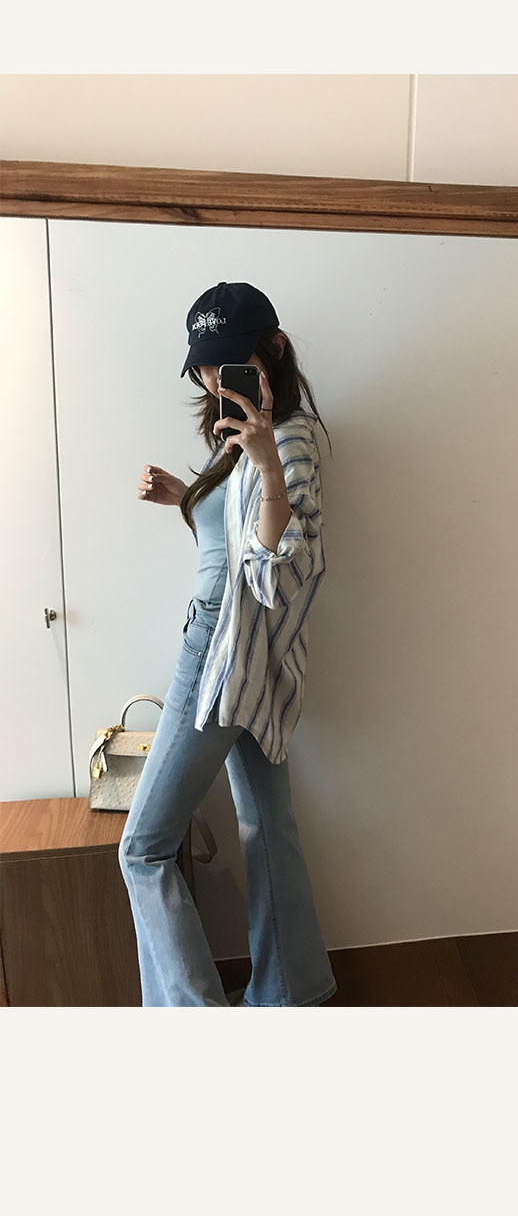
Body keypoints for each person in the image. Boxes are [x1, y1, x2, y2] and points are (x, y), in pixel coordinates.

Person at [119, 270, 333, 1012]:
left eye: (228, 363)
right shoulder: (242, 439)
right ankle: (291, 994)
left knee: (143, 848)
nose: (215, 381)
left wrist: (266, 462)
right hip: (247, 651)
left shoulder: (287, 443)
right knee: (267, 828)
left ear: (271, 350)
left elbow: (280, 573)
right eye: (204, 368)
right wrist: (186, 497)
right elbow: (238, 542)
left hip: (222, 647)